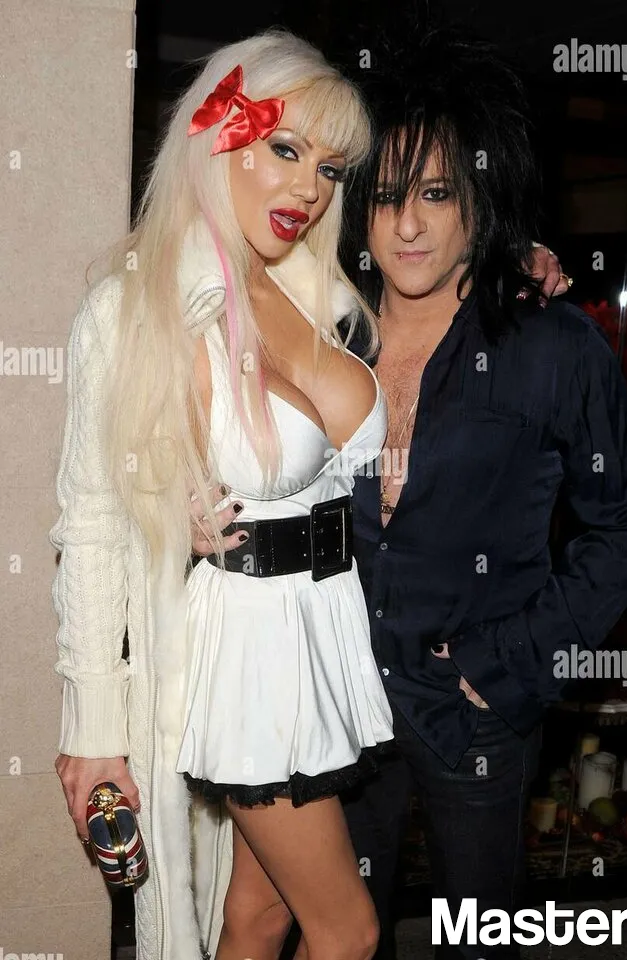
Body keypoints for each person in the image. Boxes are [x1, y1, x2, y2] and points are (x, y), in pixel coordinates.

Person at [193, 29, 627, 960]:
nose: (408, 225)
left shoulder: (550, 345)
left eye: (439, 194)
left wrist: (511, 659)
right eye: (385, 196)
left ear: (480, 200)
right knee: (343, 932)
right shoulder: (327, 329)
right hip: (337, 689)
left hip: (473, 704)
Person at [51, 29, 397, 960]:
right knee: (350, 931)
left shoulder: (309, 291)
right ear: (219, 142)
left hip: (320, 635)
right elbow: (92, 526)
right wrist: (94, 732)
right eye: (285, 149)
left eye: (329, 168)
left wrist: (514, 265)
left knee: (260, 916)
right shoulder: (134, 309)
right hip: (246, 655)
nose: (309, 188)